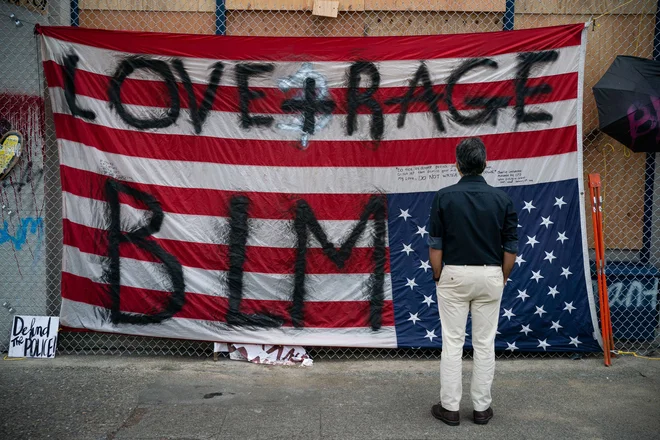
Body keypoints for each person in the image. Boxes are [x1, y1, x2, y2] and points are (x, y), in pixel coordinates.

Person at [427, 137, 518, 426]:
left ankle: (450, 408)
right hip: (491, 274)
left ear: (458, 165)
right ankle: (481, 408)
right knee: (484, 343)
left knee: (452, 343)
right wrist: (501, 277)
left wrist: (438, 275)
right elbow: (511, 247)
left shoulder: (443, 197)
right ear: (485, 164)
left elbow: (435, 245)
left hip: (453, 273)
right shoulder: (502, 200)